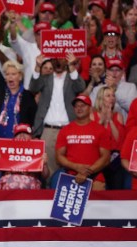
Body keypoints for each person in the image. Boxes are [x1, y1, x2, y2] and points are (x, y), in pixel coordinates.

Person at [29, 53, 86, 181]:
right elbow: (33, 87)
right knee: (47, 167)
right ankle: (48, 195)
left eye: (61, 58)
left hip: (69, 130)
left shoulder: (71, 78)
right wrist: (38, 67)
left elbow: (81, 87)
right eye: (55, 59)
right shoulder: (45, 78)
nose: (58, 62)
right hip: (48, 130)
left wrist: (72, 67)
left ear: (66, 60)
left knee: (71, 165)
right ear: (51, 60)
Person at [55, 95, 112, 191]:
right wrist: (76, 167)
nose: (79, 108)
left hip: (94, 174)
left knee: (98, 202)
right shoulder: (65, 130)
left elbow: (106, 157)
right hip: (70, 174)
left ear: (90, 108)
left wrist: (86, 172)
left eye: (82, 105)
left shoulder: (100, 130)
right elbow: (59, 156)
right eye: (77, 106)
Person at [0, 40, 36, 139]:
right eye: (7, 74)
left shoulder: (27, 96)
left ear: (20, 77)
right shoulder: (1, 90)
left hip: (19, 142)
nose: (10, 77)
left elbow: (32, 121)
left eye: (13, 74)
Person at [0, 124, 49, 190]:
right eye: (19, 134)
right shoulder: (6, 149)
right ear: (14, 138)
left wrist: (44, 164)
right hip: (8, 186)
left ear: (31, 137)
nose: (22, 136)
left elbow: (45, 175)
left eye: (25, 134)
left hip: (31, 187)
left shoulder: (37, 150)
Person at [92, 86, 127, 189]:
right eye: (108, 96)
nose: (112, 98)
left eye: (113, 95)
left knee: (116, 188)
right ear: (100, 98)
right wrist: (102, 120)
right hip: (97, 158)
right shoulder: (92, 115)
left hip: (114, 158)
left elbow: (119, 140)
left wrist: (110, 121)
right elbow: (93, 138)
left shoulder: (118, 116)